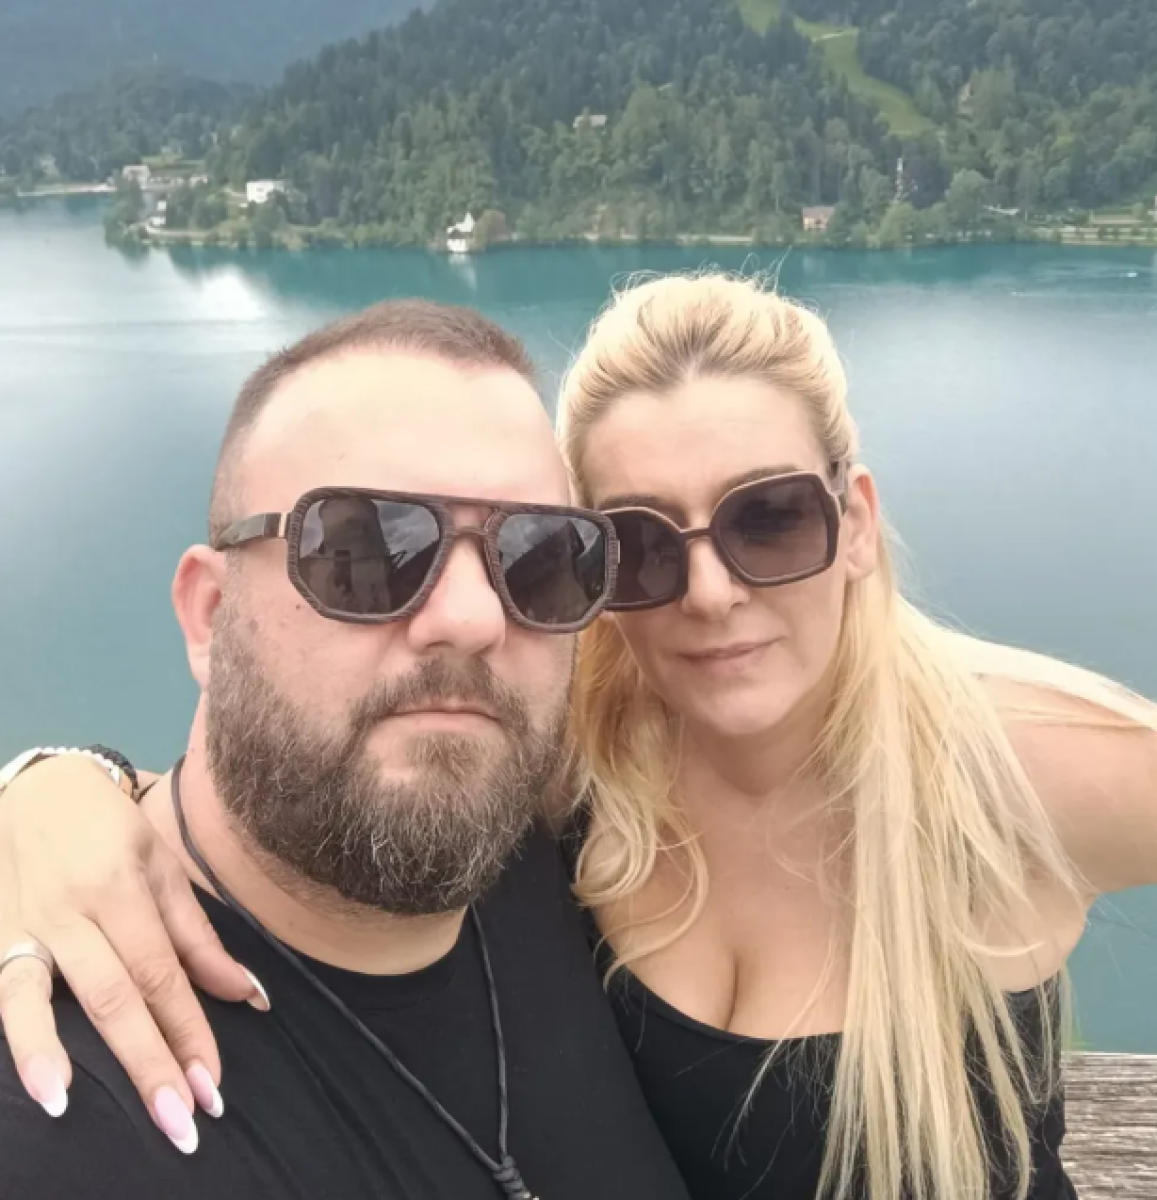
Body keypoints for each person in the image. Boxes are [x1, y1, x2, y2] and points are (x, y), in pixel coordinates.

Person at [2, 272, 1156, 1200]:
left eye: (768, 519)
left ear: (852, 521)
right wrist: (53, 787)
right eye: (637, 547)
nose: (709, 591)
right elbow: (301, 767)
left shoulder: (1006, 764)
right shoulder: (574, 775)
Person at [0, 299, 695, 1200]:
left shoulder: (585, 860)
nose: (472, 618)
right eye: (366, 549)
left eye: (539, 557)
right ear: (210, 615)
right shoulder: (48, 1113)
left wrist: (52, 777)